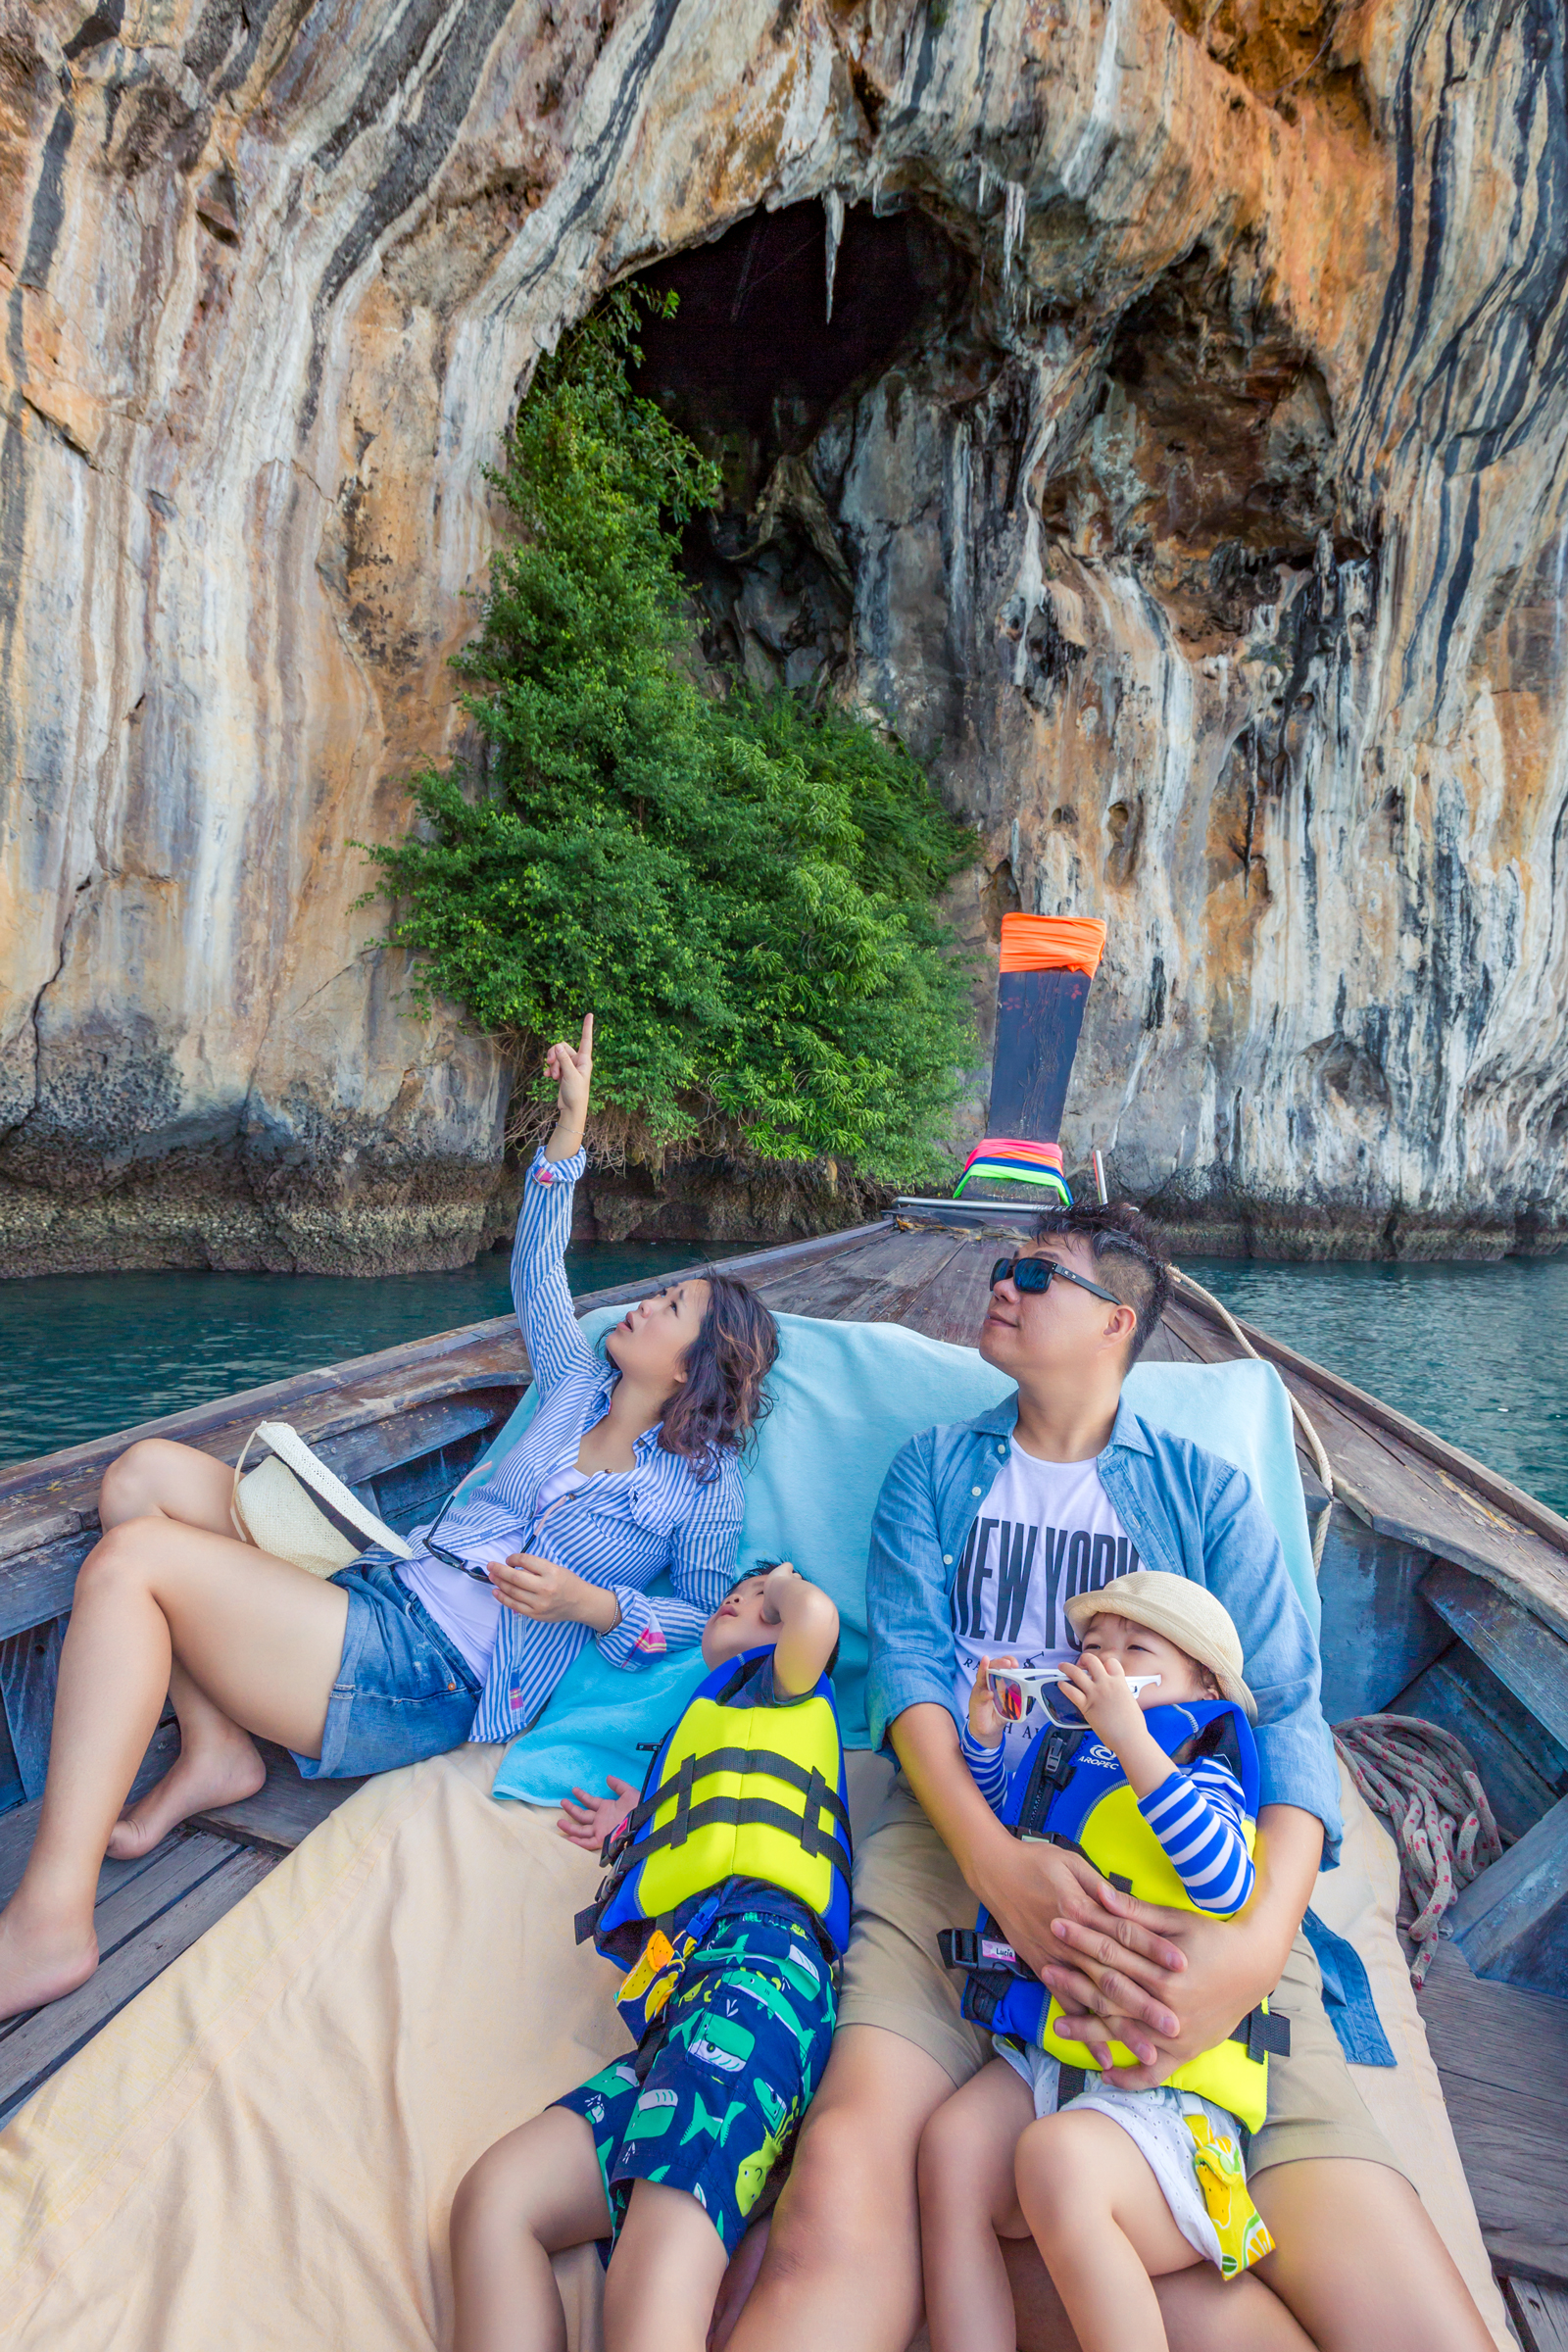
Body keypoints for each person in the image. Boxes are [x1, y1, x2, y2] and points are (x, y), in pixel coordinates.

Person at [723, 1200, 1494, 2352]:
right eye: (1006, 1265)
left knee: (1402, 2302)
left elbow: (1283, 1717)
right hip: (954, 1856)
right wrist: (1000, 1866)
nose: (1003, 1282)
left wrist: (1247, 1956)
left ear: (1115, 1321)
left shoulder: (1205, 1493)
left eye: (1036, 1275)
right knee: (840, 2182)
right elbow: (916, 1692)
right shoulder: (930, 1473)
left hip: (1178, 1881)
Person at [0, 1017, 778, 2022]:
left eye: (671, 1307)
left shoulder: (703, 1488)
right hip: (390, 1581)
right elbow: (536, 1267)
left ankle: (53, 1918)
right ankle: (215, 1751)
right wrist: (569, 1129)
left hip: (434, 1671)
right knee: (142, 1478)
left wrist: (595, 1605)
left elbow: (707, 1623)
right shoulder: (574, 1380)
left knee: (132, 1566)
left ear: (692, 1365)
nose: (644, 1306)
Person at [449, 1561, 844, 2352]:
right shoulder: (705, 1725)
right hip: (677, 2026)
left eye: (759, 1598)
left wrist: (788, 1583)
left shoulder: (781, 1683)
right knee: (495, 2200)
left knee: (650, 2271)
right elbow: (709, 1816)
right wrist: (644, 1821)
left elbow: (817, 1624)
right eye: (741, 1589)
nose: (744, 1595)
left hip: (757, 1978)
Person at [922, 1576, 1289, 2352]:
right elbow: (1009, 1819)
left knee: (1057, 2159)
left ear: (1204, 1683)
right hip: (1052, 2060)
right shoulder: (1071, 1752)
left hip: (1165, 2109)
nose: (1107, 1662)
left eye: (1137, 1648)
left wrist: (1135, 1743)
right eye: (1093, 1648)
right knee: (950, 2147)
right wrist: (985, 1743)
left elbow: (1226, 1879)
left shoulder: (1205, 1768)